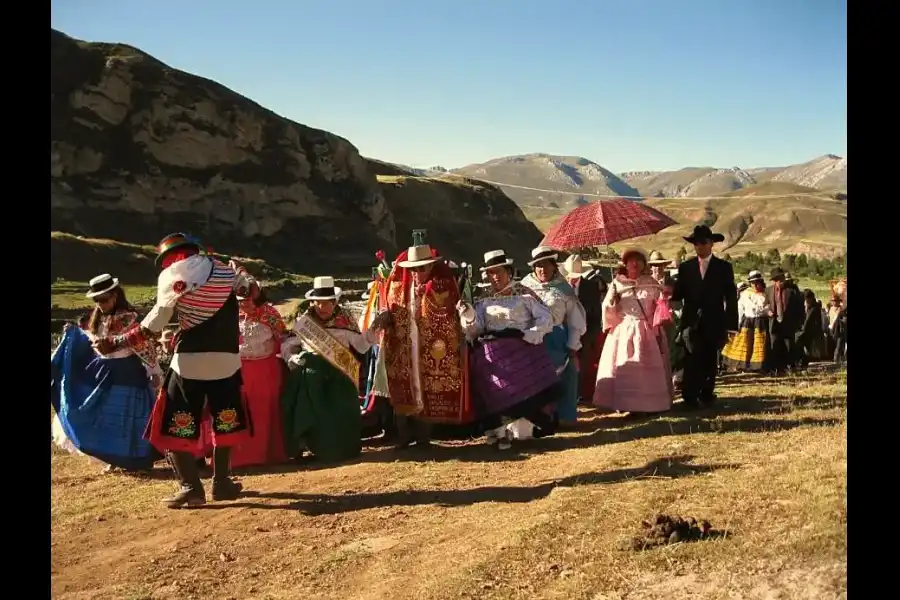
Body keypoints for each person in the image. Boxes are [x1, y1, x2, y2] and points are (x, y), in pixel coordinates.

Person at [123, 233, 253, 508]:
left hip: (189, 362)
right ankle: (222, 482)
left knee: (174, 421)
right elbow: (253, 291)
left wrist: (119, 341)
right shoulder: (223, 269)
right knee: (225, 419)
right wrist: (238, 268)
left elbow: (155, 322)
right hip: (227, 359)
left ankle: (191, 487)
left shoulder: (171, 276)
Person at [51, 274, 163, 472]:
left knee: (130, 419)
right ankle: (113, 458)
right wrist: (73, 334)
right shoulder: (95, 320)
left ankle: (138, 461)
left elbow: (145, 347)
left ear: (116, 295)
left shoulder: (130, 318)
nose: (100, 304)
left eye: (104, 299)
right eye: (97, 300)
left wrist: (154, 371)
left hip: (128, 373)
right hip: (103, 375)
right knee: (107, 419)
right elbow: (90, 343)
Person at [280, 277, 390, 462]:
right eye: (318, 303)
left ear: (334, 302)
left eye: (326, 303)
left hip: (340, 376)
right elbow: (288, 345)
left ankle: (344, 449)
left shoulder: (345, 321)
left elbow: (362, 345)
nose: (322, 308)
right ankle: (311, 448)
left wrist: (374, 329)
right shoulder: (305, 322)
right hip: (313, 376)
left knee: (343, 412)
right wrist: (293, 357)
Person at [458, 249, 560, 450]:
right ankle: (499, 431)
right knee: (493, 387)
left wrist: (529, 334)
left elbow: (546, 318)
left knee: (520, 393)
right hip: (491, 353)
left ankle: (518, 430)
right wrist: (468, 314)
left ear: (509, 272)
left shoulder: (524, 295)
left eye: (499, 272)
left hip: (520, 350)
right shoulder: (483, 299)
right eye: (490, 273)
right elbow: (475, 329)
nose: (495, 277)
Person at [380, 244, 472, 449]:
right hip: (404, 345)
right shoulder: (396, 288)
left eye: (422, 268)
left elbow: (450, 315)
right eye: (414, 269)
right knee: (405, 384)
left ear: (431, 267)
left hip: (428, 345)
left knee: (426, 386)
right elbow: (390, 309)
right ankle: (403, 435)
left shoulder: (442, 287)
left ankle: (423, 437)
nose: (417, 273)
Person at [594, 248, 674, 415]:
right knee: (626, 367)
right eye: (631, 260)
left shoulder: (650, 282)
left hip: (647, 330)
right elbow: (607, 308)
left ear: (644, 264)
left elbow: (660, 306)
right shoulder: (617, 283)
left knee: (645, 369)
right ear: (625, 263)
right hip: (624, 330)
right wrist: (612, 302)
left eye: (638, 260)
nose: (635, 263)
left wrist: (664, 297)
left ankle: (648, 404)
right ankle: (625, 403)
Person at [671, 225, 738, 409]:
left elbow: (731, 297)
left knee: (709, 359)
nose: (699, 246)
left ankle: (707, 394)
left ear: (711, 244)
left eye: (703, 242)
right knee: (691, 358)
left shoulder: (724, 268)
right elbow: (677, 296)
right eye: (695, 243)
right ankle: (689, 396)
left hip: (714, 321)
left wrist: (732, 325)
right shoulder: (685, 268)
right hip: (690, 322)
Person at [521, 246, 587, 426]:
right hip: (532, 339)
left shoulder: (563, 289)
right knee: (535, 379)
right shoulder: (524, 287)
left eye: (546, 265)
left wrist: (572, 345)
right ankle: (538, 418)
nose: (542, 269)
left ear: (553, 266)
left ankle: (563, 416)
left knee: (565, 374)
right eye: (538, 265)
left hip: (556, 339)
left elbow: (575, 320)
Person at [229, 280, 289, 468]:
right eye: (240, 301)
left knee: (263, 412)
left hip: (266, 369)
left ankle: (265, 455)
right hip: (238, 369)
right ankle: (237, 458)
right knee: (239, 412)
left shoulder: (270, 315)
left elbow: (284, 339)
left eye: (247, 300)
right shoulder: (231, 316)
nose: (243, 304)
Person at [562, 254, 607, 405]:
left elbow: (596, 314)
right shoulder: (560, 286)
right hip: (564, 333)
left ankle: (580, 395)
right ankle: (567, 396)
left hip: (585, 334)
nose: (572, 279)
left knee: (583, 367)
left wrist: (589, 336)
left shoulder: (591, 287)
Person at [721, 271, 771, 372]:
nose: (756, 285)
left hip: (760, 322)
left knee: (759, 345)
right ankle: (743, 365)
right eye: (753, 283)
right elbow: (743, 310)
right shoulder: (746, 294)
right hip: (748, 322)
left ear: (761, 282)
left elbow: (767, 307)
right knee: (746, 344)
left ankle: (758, 367)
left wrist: (766, 311)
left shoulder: (765, 294)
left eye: (757, 282)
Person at [765, 267, 804, 375]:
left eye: (781, 278)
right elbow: (765, 304)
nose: (780, 281)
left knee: (789, 346)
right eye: (777, 279)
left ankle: (790, 367)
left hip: (788, 323)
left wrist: (798, 322)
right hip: (774, 323)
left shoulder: (792, 290)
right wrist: (768, 311)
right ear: (774, 280)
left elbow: (799, 307)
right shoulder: (768, 290)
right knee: (774, 346)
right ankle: (776, 369)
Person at [795, 289, 828, 367]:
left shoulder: (813, 308)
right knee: (807, 348)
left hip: (811, 332)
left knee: (801, 344)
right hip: (811, 332)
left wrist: (801, 331)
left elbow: (807, 322)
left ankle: (803, 362)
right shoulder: (813, 307)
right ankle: (804, 361)